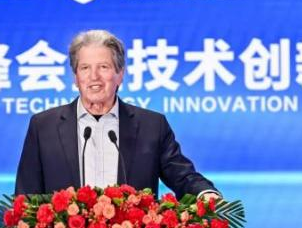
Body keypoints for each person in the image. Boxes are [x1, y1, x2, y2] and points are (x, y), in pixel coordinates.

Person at [14, 29, 219, 200]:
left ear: (120, 74)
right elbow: (26, 197)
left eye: (103, 67)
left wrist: (206, 194)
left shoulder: (151, 126)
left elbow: (182, 176)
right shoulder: (44, 127)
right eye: (85, 68)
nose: (94, 77)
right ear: (75, 77)